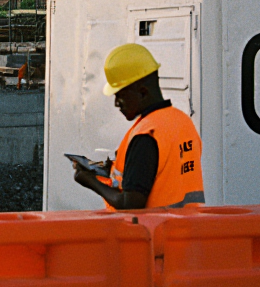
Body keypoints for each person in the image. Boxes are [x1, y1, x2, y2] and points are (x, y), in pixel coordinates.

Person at [73, 43, 205, 210]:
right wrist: (111, 170)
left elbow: (131, 203)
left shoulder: (146, 135)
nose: (116, 103)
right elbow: (166, 174)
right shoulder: (183, 121)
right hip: (189, 230)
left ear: (142, 92)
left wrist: (90, 181)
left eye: (120, 96)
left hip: (154, 233)